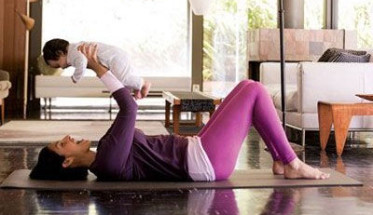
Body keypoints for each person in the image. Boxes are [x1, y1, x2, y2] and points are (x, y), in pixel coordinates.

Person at [30, 44, 330, 182]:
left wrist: (125, 84)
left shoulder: (106, 153)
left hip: (197, 147)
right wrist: (97, 68)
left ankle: (281, 160)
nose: (66, 137)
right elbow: (129, 109)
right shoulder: (106, 161)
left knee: (245, 88)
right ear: (67, 161)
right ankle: (292, 162)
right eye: (61, 143)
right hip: (205, 161)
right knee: (254, 91)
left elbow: (128, 108)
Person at [42, 38, 151, 99]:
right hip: (114, 57)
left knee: (123, 79)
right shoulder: (73, 51)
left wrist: (76, 77)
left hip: (114, 58)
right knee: (119, 81)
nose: (61, 68)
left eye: (57, 65)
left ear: (60, 53)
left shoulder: (73, 52)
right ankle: (136, 88)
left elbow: (82, 62)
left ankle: (143, 83)